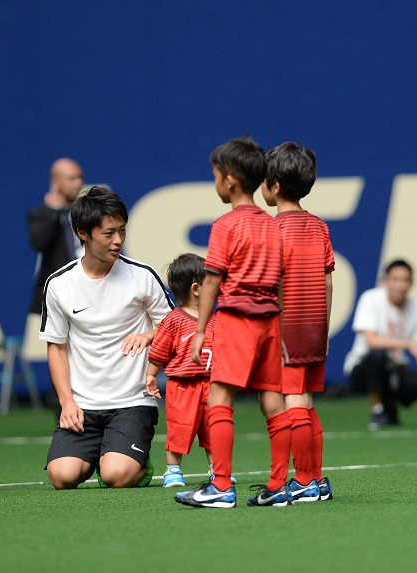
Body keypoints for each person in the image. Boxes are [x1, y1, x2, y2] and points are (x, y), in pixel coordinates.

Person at [174, 136, 291, 509]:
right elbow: (283, 282)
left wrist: (198, 331)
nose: (215, 181)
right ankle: (277, 486)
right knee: (273, 401)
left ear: (229, 181)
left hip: (238, 321)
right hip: (271, 322)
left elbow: (211, 282)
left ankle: (221, 486)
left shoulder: (225, 225)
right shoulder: (275, 225)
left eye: (215, 175)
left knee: (220, 399)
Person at [41, 186, 173, 489]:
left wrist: (150, 334)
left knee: (116, 475)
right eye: (109, 233)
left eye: (122, 231)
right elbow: (56, 347)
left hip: (132, 401)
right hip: (83, 404)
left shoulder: (142, 275)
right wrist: (67, 402)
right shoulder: (60, 284)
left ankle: (135, 462)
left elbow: (177, 327)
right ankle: (105, 452)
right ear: (83, 233)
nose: (118, 240)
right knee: (62, 476)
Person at [261, 141, 335, 502]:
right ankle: (317, 479)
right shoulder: (319, 227)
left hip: (285, 328)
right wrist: (324, 328)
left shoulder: (271, 230)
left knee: (293, 399)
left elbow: (273, 284)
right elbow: (327, 281)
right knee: (304, 398)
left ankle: (304, 480)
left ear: (273, 186)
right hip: (315, 326)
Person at [343, 260, 417, 430]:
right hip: (361, 369)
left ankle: (390, 406)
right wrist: (407, 344)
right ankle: (377, 409)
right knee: (377, 355)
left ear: (411, 283)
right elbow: (371, 341)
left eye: (405, 280)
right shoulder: (370, 298)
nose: (400, 285)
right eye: (395, 279)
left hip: (393, 368)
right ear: (385, 281)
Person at [145, 253, 220, 488]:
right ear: (197, 289)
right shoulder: (173, 321)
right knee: (179, 429)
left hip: (213, 386)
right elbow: (159, 352)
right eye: (213, 282)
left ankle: (218, 470)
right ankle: (173, 470)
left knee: (214, 429)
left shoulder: (218, 320)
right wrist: (150, 375)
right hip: (182, 387)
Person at [27, 158, 85, 316]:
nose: (78, 183)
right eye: (72, 178)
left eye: (80, 177)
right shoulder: (40, 214)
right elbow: (39, 242)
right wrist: (54, 210)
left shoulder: (86, 214)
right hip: (55, 299)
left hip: (87, 293)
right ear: (55, 182)